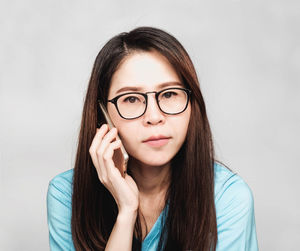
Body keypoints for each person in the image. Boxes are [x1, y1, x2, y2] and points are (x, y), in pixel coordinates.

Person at [47, 26, 259, 251]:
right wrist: (126, 212)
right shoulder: (66, 196)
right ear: (103, 114)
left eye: (169, 94)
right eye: (131, 99)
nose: (154, 117)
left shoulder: (228, 198)